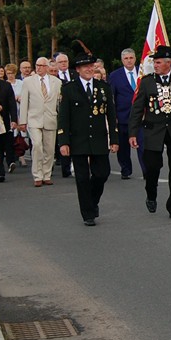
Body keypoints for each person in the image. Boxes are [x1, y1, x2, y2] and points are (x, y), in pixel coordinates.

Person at [128, 46, 171, 219]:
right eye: (154, 62)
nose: (155, 65)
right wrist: (133, 133)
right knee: (152, 167)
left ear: (169, 63)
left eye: (158, 62)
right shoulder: (147, 81)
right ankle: (151, 194)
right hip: (153, 130)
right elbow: (137, 109)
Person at [57, 53, 119, 226]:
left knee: (102, 173)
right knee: (82, 177)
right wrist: (63, 142)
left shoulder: (103, 87)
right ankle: (88, 213)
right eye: (85, 67)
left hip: (99, 138)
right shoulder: (69, 88)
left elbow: (111, 114)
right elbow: (64, 117)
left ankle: (92, 201)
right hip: (78, 139)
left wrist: (114, 139)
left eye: (92, 66)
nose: (89, 69)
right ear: (78, 70)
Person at [18, 57, 60, 187]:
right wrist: (22, 121)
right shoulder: (28, 81)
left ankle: (46, 174)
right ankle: (37, 175)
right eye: (37, 65)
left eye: (42, 65)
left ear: (47, 67)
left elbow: (59, 102)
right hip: (34, 119)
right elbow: (24, 101)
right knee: (37, 146)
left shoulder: (56, 82)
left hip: (50, 118)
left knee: (49, 149)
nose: (39, 68)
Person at [109, 47, 141, 180]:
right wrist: (113, 116)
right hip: (122, 116)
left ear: (135, 58)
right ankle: (125, 169)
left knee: (143, 145)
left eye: (131, 58)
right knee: (123, 147)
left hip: (141, 117)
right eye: (126, 58)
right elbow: (112, 98)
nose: (129, 61)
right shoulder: (115, 76)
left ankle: (146, 170)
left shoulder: (143, 72)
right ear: (122, 60)